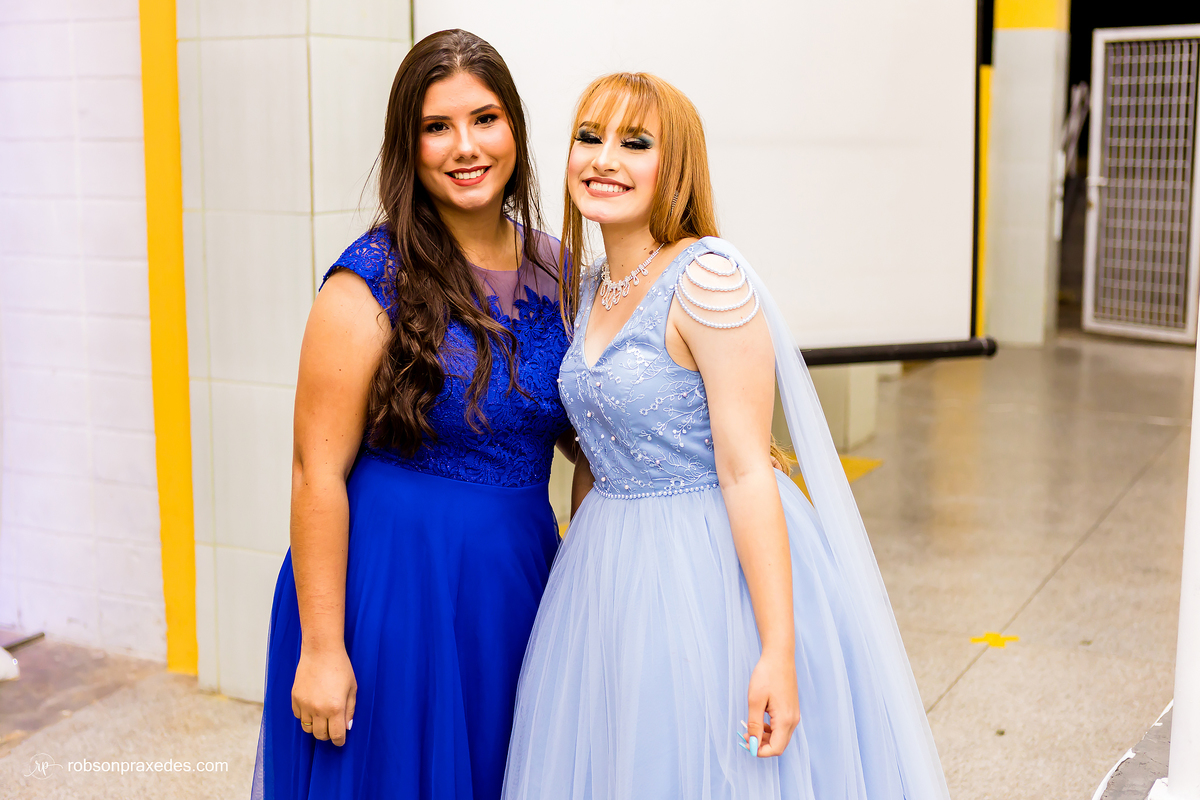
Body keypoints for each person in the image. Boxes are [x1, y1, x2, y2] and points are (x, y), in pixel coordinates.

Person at [501, 72, 951, 800]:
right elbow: (594, 452)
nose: (604, 159)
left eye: (635, 143)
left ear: (674, 166)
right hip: (605, 564)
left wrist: (776, 649)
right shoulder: (588, 289)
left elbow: (746, 470)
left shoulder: (707, 278)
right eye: (590, 137)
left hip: (705, 562)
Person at [253, 30, 579, 800]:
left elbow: (593, 427)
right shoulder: (368, 279)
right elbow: (315, 472)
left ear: (514, 129)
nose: (465, 146)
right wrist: (322, 649)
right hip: (393, 588)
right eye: (438, 127)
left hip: (516, 584)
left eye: (484, 118)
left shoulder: (561, 270)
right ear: (409, 145)